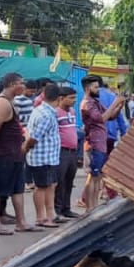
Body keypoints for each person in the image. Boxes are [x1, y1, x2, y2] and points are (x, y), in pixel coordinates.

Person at [0, 73, 37, 235]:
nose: (24, 86)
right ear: (12, 84)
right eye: (21, 83)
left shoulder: (11, 102)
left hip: (15, 153)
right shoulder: (2, 103)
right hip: (4, 153)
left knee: (18, 189)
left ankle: (21, 222)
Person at [80, 75, 125, 211]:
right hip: (93, 142)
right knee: (92, 176)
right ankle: (90, 206)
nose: (98, 89)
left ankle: (93, 206)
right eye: (95, 87)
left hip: (101, 143)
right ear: (88, 89)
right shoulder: (87, 104)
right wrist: (115, 102)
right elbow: (102, 118)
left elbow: (111, 116)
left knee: (98, 176)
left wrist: (120, 105)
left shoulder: (95, 102)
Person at [23, 84, 62, 228]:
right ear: (59, 99)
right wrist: (26, 148)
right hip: (42, 157)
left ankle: (50, 214)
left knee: (51, 185)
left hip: (49, 156)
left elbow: (29, 131)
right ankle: (41, 217)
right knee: (42, 187)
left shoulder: (40, 110)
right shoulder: (46, 115)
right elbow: (34, 138)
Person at [54, 86, 80, 222]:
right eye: (71, 98)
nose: (74, 101)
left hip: (72, 151)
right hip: (61, 151)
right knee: (60, 181)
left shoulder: (72, 111)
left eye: (74, 98)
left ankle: (66, 208)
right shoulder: (56, 113)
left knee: (69, 181)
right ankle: (57, 210)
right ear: (61, 98)